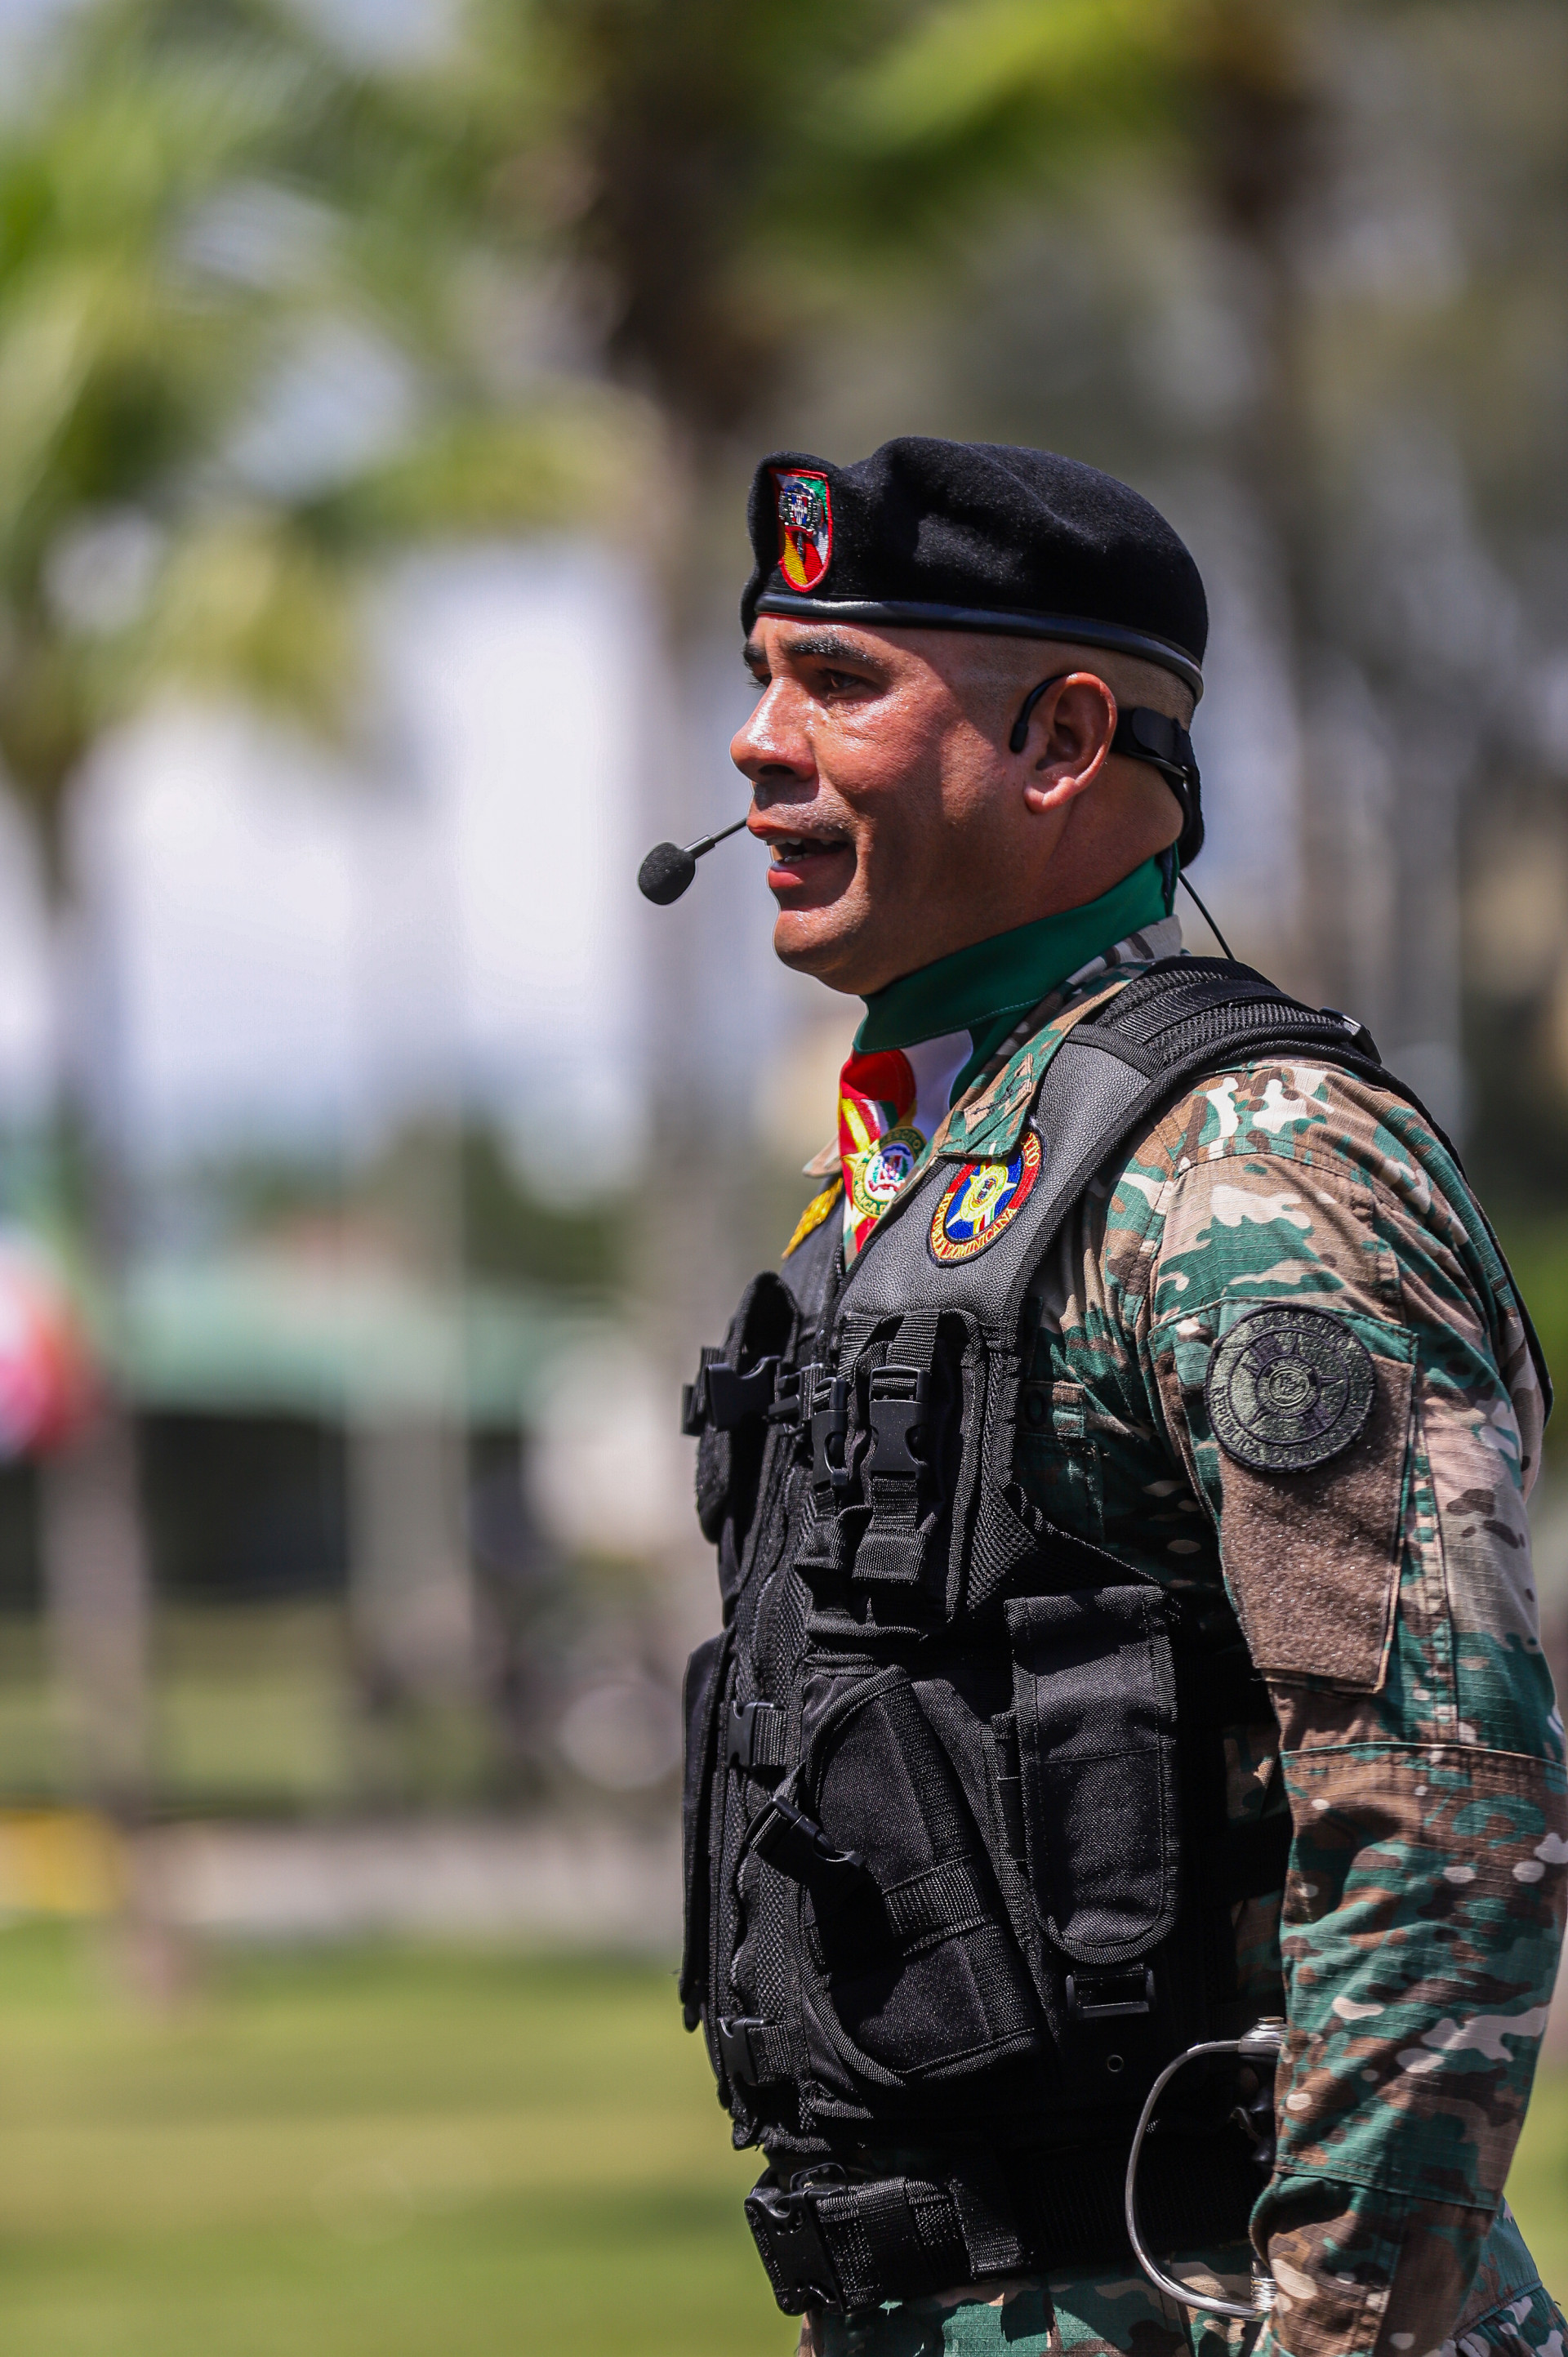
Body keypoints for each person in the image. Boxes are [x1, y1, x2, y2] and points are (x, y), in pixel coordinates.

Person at [676, 436, 1568, 2357]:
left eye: (839, 682)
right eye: (761, 675)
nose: (757, 742)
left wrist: (1347, 2331)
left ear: (1065, 740)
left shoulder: (1254, 1167)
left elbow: (1437, 1812)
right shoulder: (920, 1175)